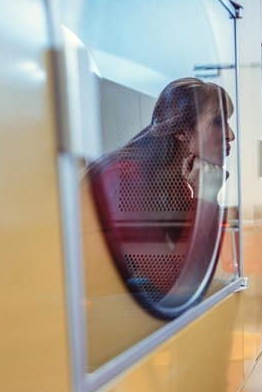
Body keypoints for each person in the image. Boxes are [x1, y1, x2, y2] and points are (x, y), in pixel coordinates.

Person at [87, 77, 235, 319]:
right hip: (102, 315)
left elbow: (201, 269)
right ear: (182, 132)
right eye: (218, 122)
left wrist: (206, 194)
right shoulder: (126, 178)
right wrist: (206, 196)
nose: (231, 135)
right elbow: (177, 288)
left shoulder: (172, 179)